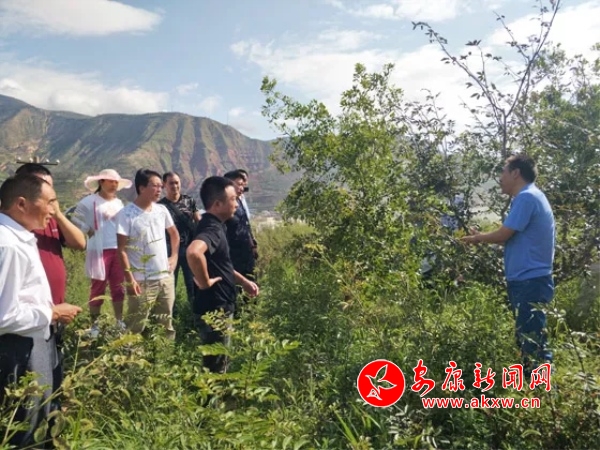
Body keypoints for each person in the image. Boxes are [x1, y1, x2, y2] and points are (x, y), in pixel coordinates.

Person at [0, 174, 82, 448]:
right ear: (21, 204)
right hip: (18, 347)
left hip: (28, 340)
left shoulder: (19, 237)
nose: (53, 210)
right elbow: (4, 316)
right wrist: (53, 313)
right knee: (25, 427)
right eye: (49, 202)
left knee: (36, 421)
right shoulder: (9, 245)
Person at [462, 154, 555, 374]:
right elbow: (512, 237)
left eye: (503, 172)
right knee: (528, 335)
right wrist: (483, 236)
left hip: (530, 279)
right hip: (529, 279)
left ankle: (541, 386)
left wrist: (478, 238)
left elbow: (504, 234)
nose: (500, 178)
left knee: (532, 338)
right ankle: (535, 384)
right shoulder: (531, 196)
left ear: (515, 173)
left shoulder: (527, 197)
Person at [14, 163, 86, 417]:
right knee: (29, 391)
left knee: (54, 373)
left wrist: (58, 215)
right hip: (29, 318)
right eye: (43, 191)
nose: (49, 199)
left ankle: (50, 425)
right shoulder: (15, 230)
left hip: (55, 313)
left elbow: (80, 243)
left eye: (52, 193)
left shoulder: (49, 221)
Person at [186, 176, 259, 373]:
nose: (236, 204)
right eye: (233, 199)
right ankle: (213, 393)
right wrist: (205, 282)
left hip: (219, 305)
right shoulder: (212, 228)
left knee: (219, 360)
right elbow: (193, 253)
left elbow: (221, 265)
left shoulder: (216, 225)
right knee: (216, 368)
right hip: (215, 308)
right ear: (217, 204)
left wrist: (243, 282)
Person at [116, 169, 179, 339]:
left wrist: (174, 256)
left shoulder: (161, 210)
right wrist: (130, 279)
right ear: (142, 188)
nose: (159, 190)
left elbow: (174, 234)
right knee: (135, 326)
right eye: (155, 186)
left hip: (165, 277)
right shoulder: (126, 214)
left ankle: (163, 354)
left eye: (160, 186)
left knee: (165, 324)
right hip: (141, 280)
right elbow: (121, 249)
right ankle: (129, 355)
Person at [72, 169, 132, 337]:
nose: (114, 185)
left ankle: (119, 321)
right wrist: (87, 229)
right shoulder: (89, 201)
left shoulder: (118, 203)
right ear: (101, 182)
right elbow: (75, 218)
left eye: (116, 182)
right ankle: (94, 325)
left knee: (118, 287)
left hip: (117, 248)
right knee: (98, 286)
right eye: (110, 181)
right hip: (99, 249)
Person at [158, 172, 200, 311]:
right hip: (170, 252)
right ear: (164, 185)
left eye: (177, 182)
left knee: (192, 284)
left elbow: (198, 221)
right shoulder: (160, 206)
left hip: (189, 249)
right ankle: (171, 315)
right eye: (171, 183)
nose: (174, 186)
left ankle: (194, 314)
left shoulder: (189, 201)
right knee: (170, 285)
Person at [223, 170, 257, 281]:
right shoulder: (221, 205)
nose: (242, 188)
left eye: (243, 185)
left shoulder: (239, 201)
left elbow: (245, 224)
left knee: (251, 281)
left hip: (246, 251)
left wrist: (252, 245)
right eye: (239, 184)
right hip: (232, 253)